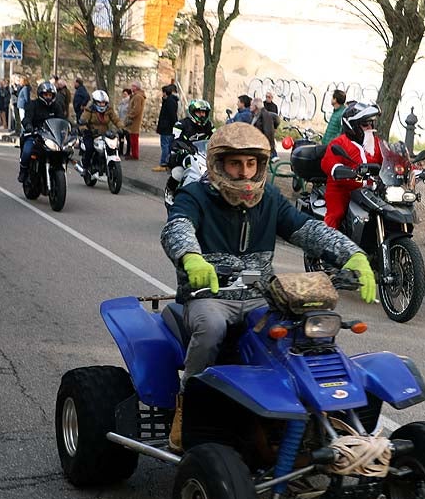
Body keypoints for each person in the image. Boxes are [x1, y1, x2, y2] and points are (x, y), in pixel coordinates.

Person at [160, 123, 377, 450]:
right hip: (210, 295)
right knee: (212, 327)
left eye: (251, 164)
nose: (244, 173)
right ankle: (188, 404)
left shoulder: (271, 199)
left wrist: (353, 255)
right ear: (218, 165)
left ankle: (298, 416)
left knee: (299, 333)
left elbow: (308, 230)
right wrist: (191, 257)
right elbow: (177, 227)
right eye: (235, 164)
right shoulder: (195, 195)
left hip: (260, 295)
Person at [319, 102, 383, 230]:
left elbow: (388, 157)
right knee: (336, 214)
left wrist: (409, 167)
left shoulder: (375, 143)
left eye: (371, 123)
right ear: (353, 126)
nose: (370, 127)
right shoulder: (340, 142)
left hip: (370, 188)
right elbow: (328, 162)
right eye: (365, 124)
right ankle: (325, 244)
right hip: (342, 188)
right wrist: (338, 169)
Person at [17, 81, 64, 182]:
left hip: (51, 137)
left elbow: (62, 120)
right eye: (46, 94)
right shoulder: (33, 105)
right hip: (35, 135)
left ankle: (58, 171)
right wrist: (29, 126)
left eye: (50, 95)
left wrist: (70, 128)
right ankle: (23, 171)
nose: (48, 97)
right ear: (41, 94)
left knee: (63, 151)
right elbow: (26, 118)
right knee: (27, 151)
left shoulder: (56, 106)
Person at [78, 89, 124, 177]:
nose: (102, 105)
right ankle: (85, 168)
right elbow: (83, 121)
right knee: (89, 148)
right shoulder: (89, 110)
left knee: (112, 147)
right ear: (95, 102)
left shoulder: (109, 110)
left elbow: (116, 120)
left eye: (104, 103)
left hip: (105, 134)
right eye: (100, 103)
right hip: (91, 134)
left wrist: (121, 127)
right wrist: (84, 129)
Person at [154, 84, 179, 172]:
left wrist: (175, 125)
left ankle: (164, 163)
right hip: (168, 127)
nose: (163, 95)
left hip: (167, 127)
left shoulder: (170, 101)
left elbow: (171, 115)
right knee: (167, 146)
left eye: (164, 93)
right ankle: (167, 162)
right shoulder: (170, 100)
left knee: (165, 145)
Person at [250, 96, 280, 161]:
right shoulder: (256, 115)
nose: (250, 106)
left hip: (262, 145)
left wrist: (267, 146)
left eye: (251, 105)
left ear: (256, 106)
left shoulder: (265, 115)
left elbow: (268, 132)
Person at [123, 80, 145, 160]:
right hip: (134, 120)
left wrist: (130, 115)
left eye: (133, 86)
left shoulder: (138, 97)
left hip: (134, 120)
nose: (131, 87)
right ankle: (133, 153)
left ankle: (135, 154)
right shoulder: (136, 96)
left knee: (134, 138)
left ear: (136, 87)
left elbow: (136, 109)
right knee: (132, 137)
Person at [116, 87, 132, 156]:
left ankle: (128, 151)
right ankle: (120, 150)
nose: (124, 95)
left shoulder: (129, 103)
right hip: (121, 121)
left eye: (125, 94)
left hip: (127, 122)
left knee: (128, 138)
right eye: (123, 94)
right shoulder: (121, 102)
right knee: (121, 137)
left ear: (128, 95)